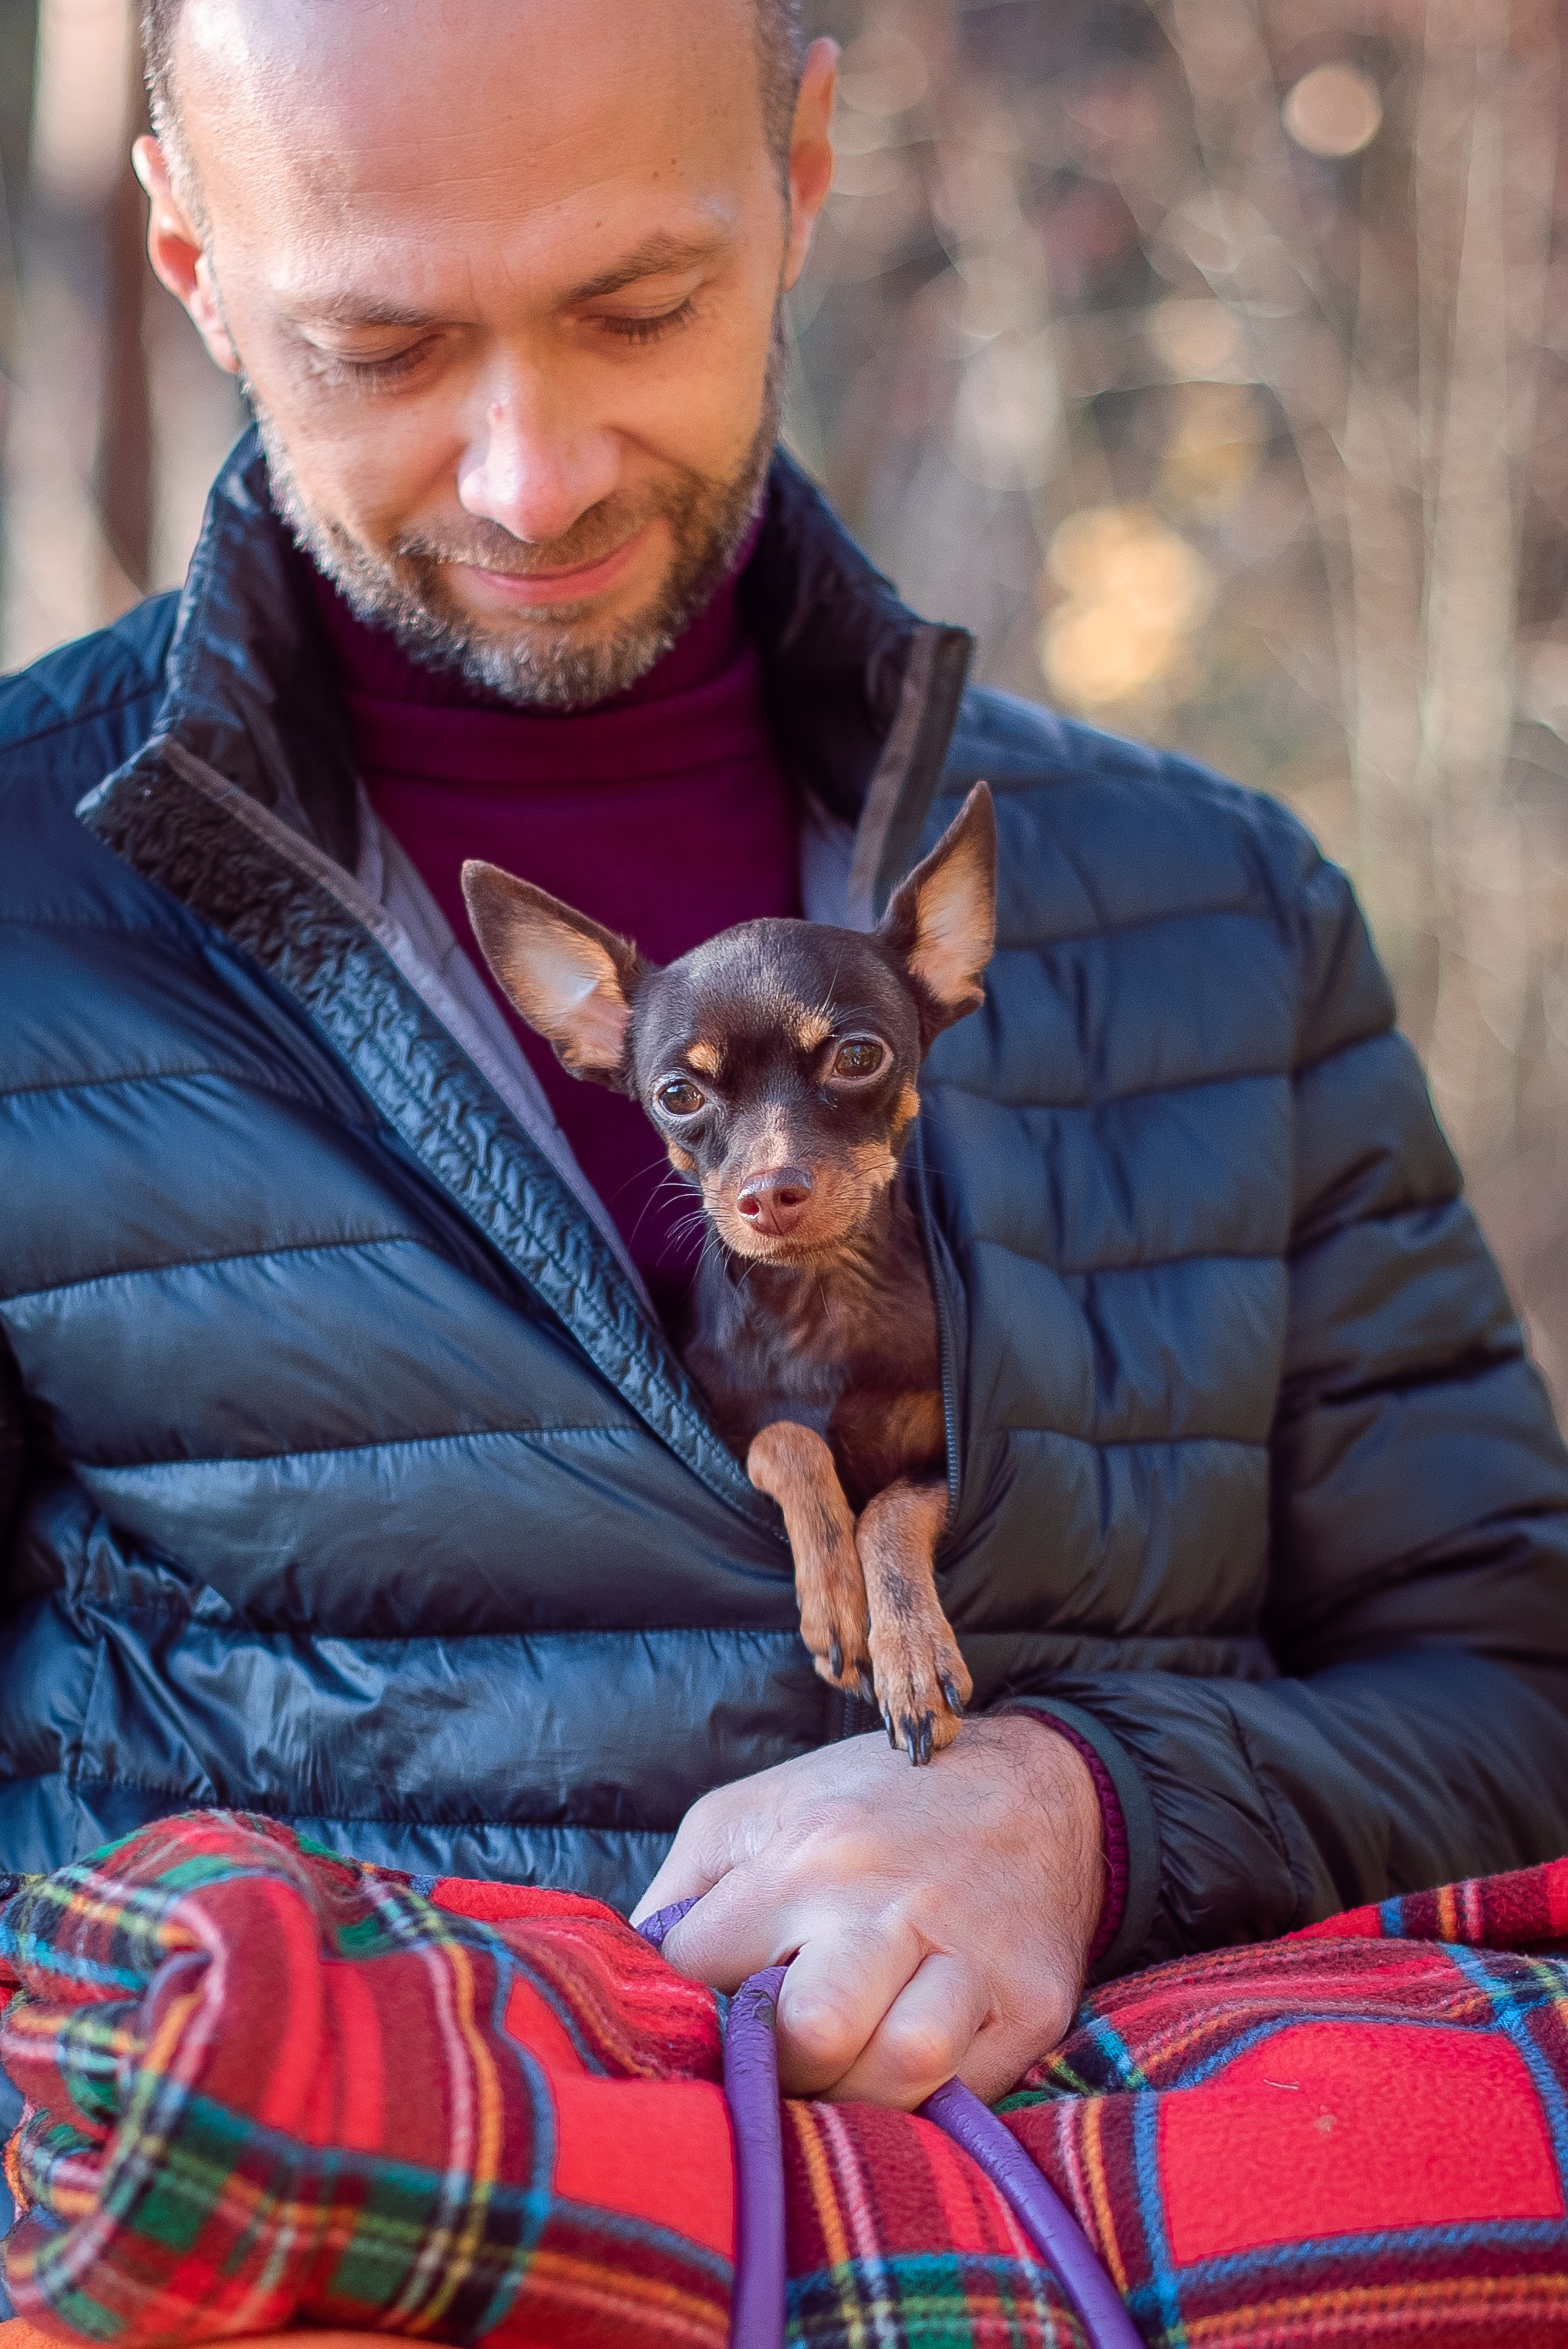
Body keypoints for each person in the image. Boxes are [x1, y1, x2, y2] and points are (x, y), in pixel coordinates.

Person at [1, 0, 1566, 2123]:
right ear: (189, 252)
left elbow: (1513, 1694)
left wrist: (1085, 1807)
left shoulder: (1212, 911)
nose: (526, 475)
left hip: (1090, 2266)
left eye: (637, 305)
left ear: (801, 172)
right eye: (380, 351)